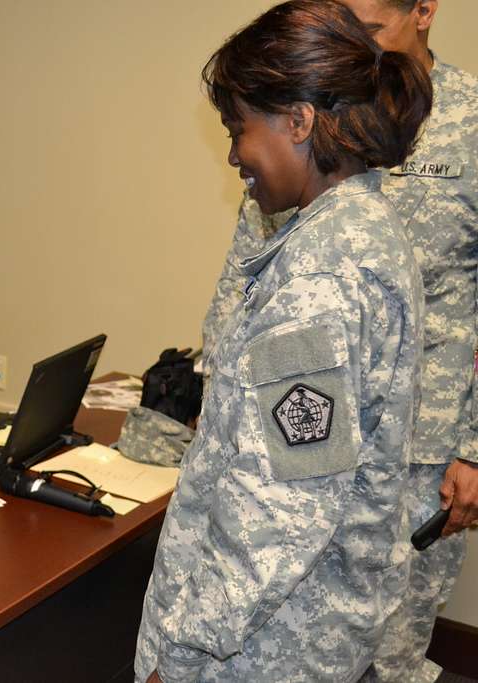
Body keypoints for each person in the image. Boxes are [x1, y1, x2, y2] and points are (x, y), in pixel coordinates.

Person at [134, 1, 432, 681]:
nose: (235, 152)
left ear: (299, 121)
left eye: (239, 128)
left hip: (261, 653)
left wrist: (179, 657)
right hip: (316, 633)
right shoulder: (366, 229)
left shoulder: (318, 282)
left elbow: (278, 513)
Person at [200, 1, 478, 680]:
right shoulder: (317, 140)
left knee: (381, 651)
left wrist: (474, 446)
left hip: (419, 449)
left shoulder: (468, 123)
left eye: (369, 31)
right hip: (303, 435)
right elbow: (249, 261)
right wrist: (215, 388)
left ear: (423, 12)